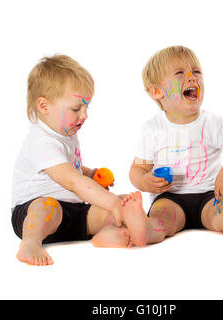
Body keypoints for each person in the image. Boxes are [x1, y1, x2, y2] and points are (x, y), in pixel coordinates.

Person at [11, 54, 147, 266]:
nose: (84, 115)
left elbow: (71, 169)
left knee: (120, 204)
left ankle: (106, 234)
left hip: (73, 214)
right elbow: (72, 181)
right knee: (46, 206)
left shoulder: (66, 132)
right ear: (44, 106)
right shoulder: (41, 142)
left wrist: (90, 173)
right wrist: (111, 203)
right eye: (76, 108)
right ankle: (30, 243)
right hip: (34, 213)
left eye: (86, 107)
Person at [127, 46, 223, 245]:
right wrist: (144, 181)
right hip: (169, 198)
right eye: (180, 73)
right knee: (162, 221)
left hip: (210, 195)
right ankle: (145, 229)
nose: (192, 78)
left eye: (197, 72)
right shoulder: (152, 129)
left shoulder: (212, 123)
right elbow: (137, 169)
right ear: (156, 91)